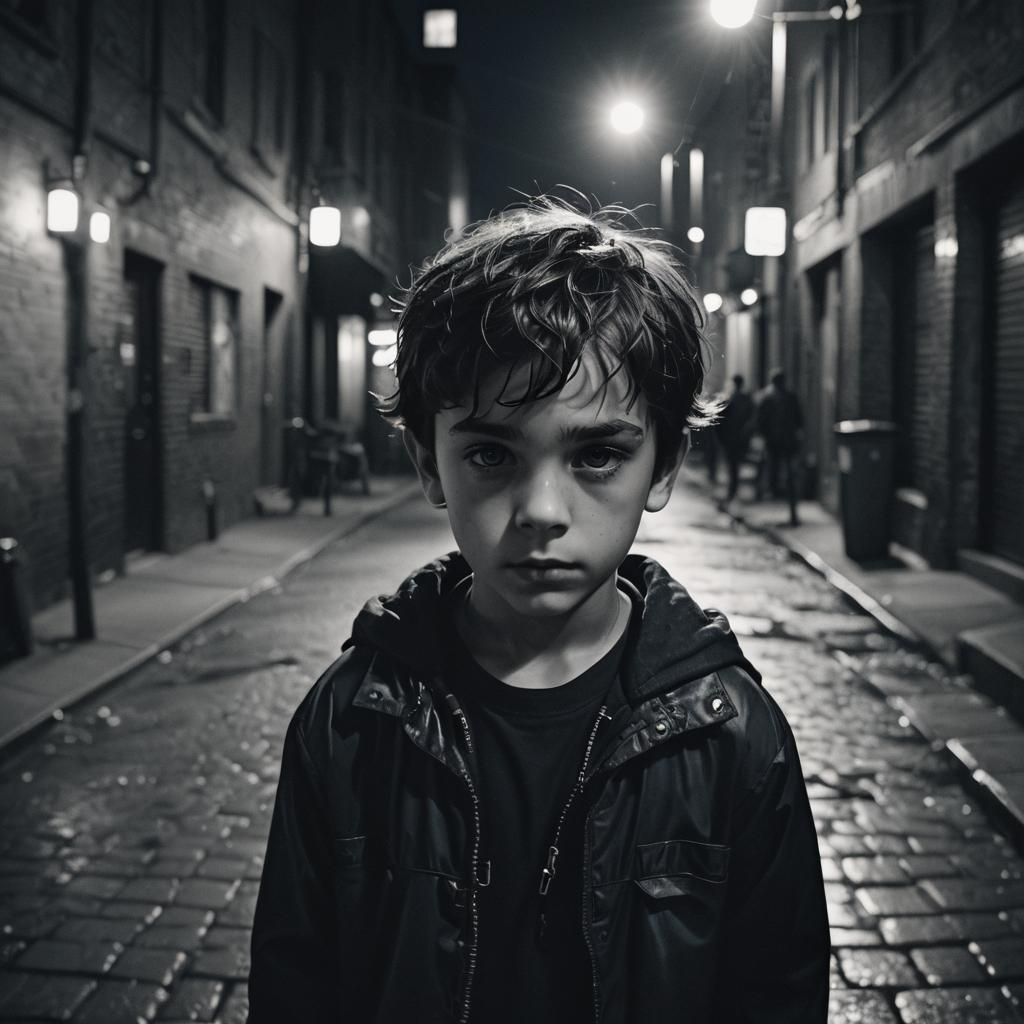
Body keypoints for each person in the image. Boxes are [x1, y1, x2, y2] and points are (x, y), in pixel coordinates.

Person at [248, 199, 829, 1023]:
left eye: (598, 455)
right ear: (429, 463)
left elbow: (777, 992)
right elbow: (294, 984)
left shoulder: (733, 736)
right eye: (492, 453)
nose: (542, 511)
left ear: (665, 465)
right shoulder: (350, 722)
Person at [756, 368, 804, 526]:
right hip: (788, 442)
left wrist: (764, 435)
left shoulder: (766, 398)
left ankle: (772, 493)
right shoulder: (791, 397)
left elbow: (760, 421)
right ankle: (792, 512)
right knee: (789, 475)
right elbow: (799, 420)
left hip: (774, 442)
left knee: (772, 470)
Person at [716, 373, 755, 503]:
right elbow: (752, 418)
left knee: (732, 466)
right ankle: (733, 491)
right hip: (741, 438)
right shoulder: (746, 399)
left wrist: (721, 437)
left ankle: (732, 491)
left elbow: (720, 420)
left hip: (730, 438)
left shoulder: (729, 398)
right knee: (735, 465)